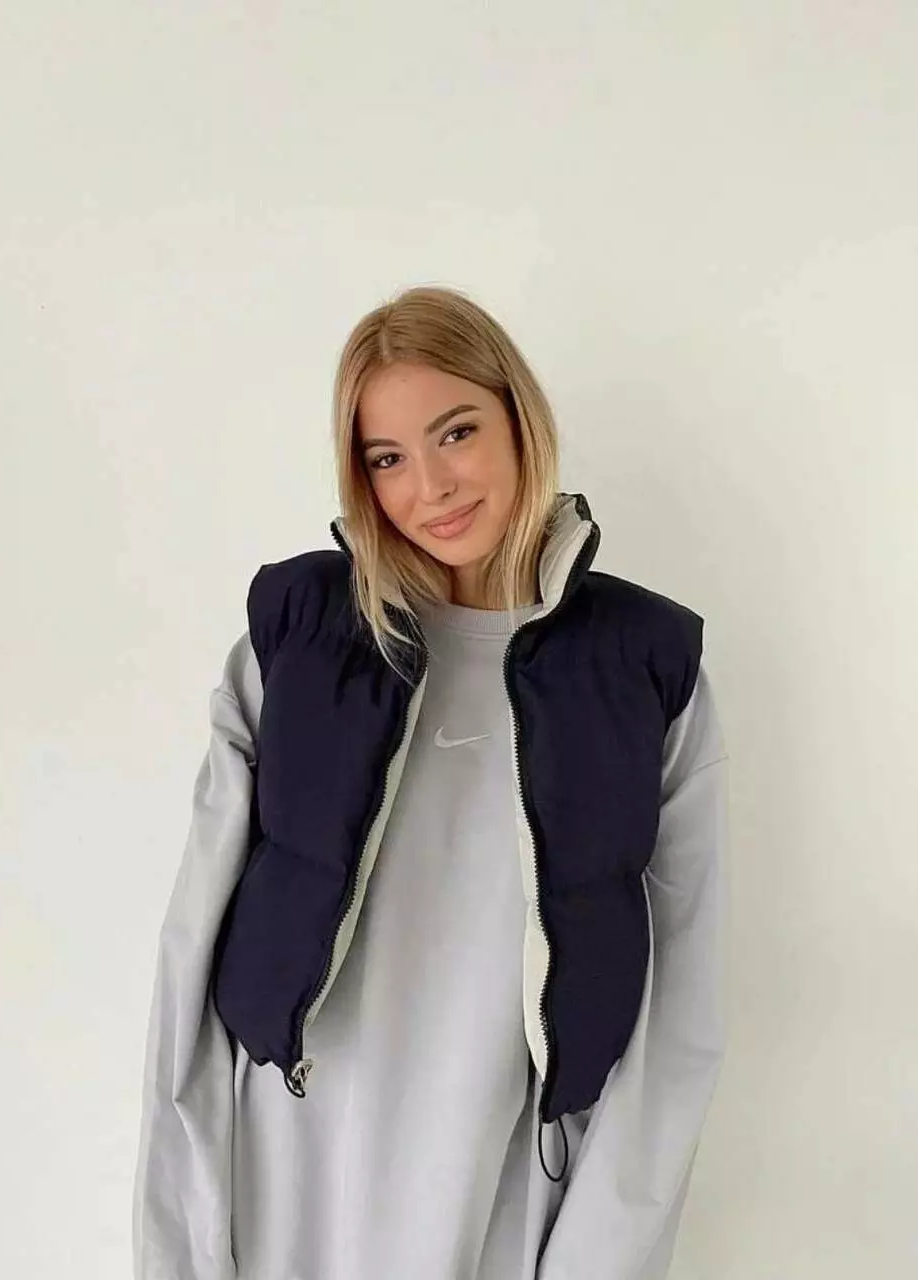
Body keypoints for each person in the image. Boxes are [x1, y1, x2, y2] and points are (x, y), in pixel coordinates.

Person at [132, 286, 730, 1280]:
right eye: (386, 458)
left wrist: (604, 1251)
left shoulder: (644, 664)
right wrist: (180, 1233)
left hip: (508, 1178)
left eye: (456, 432)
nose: (431, 486)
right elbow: (192, 944)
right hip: (287, 1163)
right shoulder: (297, 636)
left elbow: (682, 1002)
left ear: (518, 418)